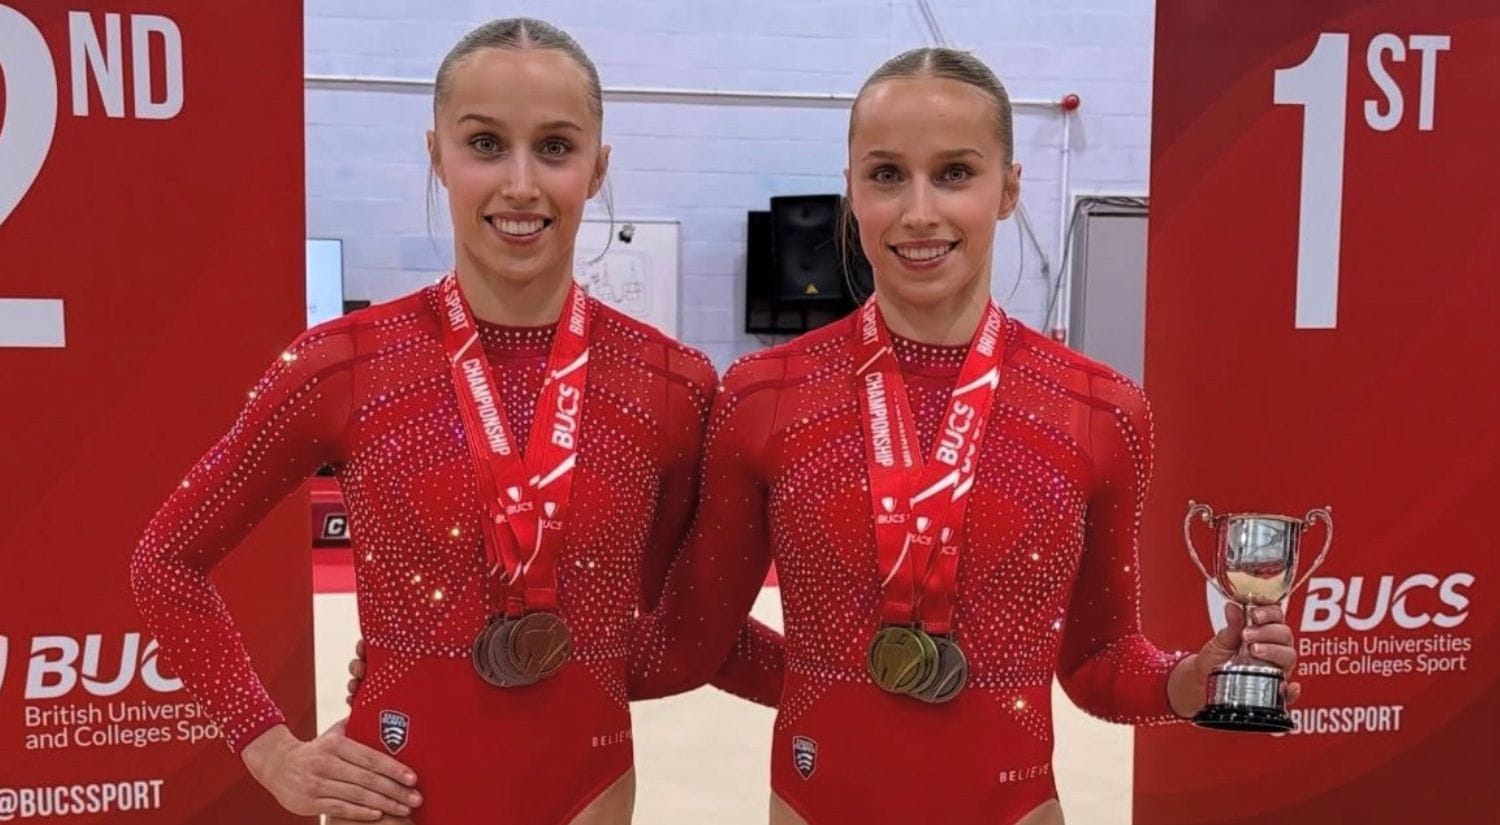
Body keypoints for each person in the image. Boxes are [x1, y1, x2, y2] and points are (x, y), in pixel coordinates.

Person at [624, 47, 1301, 825]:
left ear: (1009, 188)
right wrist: (838, 678)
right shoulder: (763, 396)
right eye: (885, 175)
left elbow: (1099, 662)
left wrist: (1196, 680)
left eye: (954, 173)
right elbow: (696, 639)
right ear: (850, 191)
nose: (918, 212)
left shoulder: (1100, 408)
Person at [131, 18, 778, 825]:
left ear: (598, 166)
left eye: (554, 147)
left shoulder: (670, 384)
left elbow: (690, 629)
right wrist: (271, 750)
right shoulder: (342, 364)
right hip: (395, 795)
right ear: (436, 154)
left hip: (588, 793)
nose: (519, 184)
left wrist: (882, 690)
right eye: (484, 144)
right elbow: (165, 561)